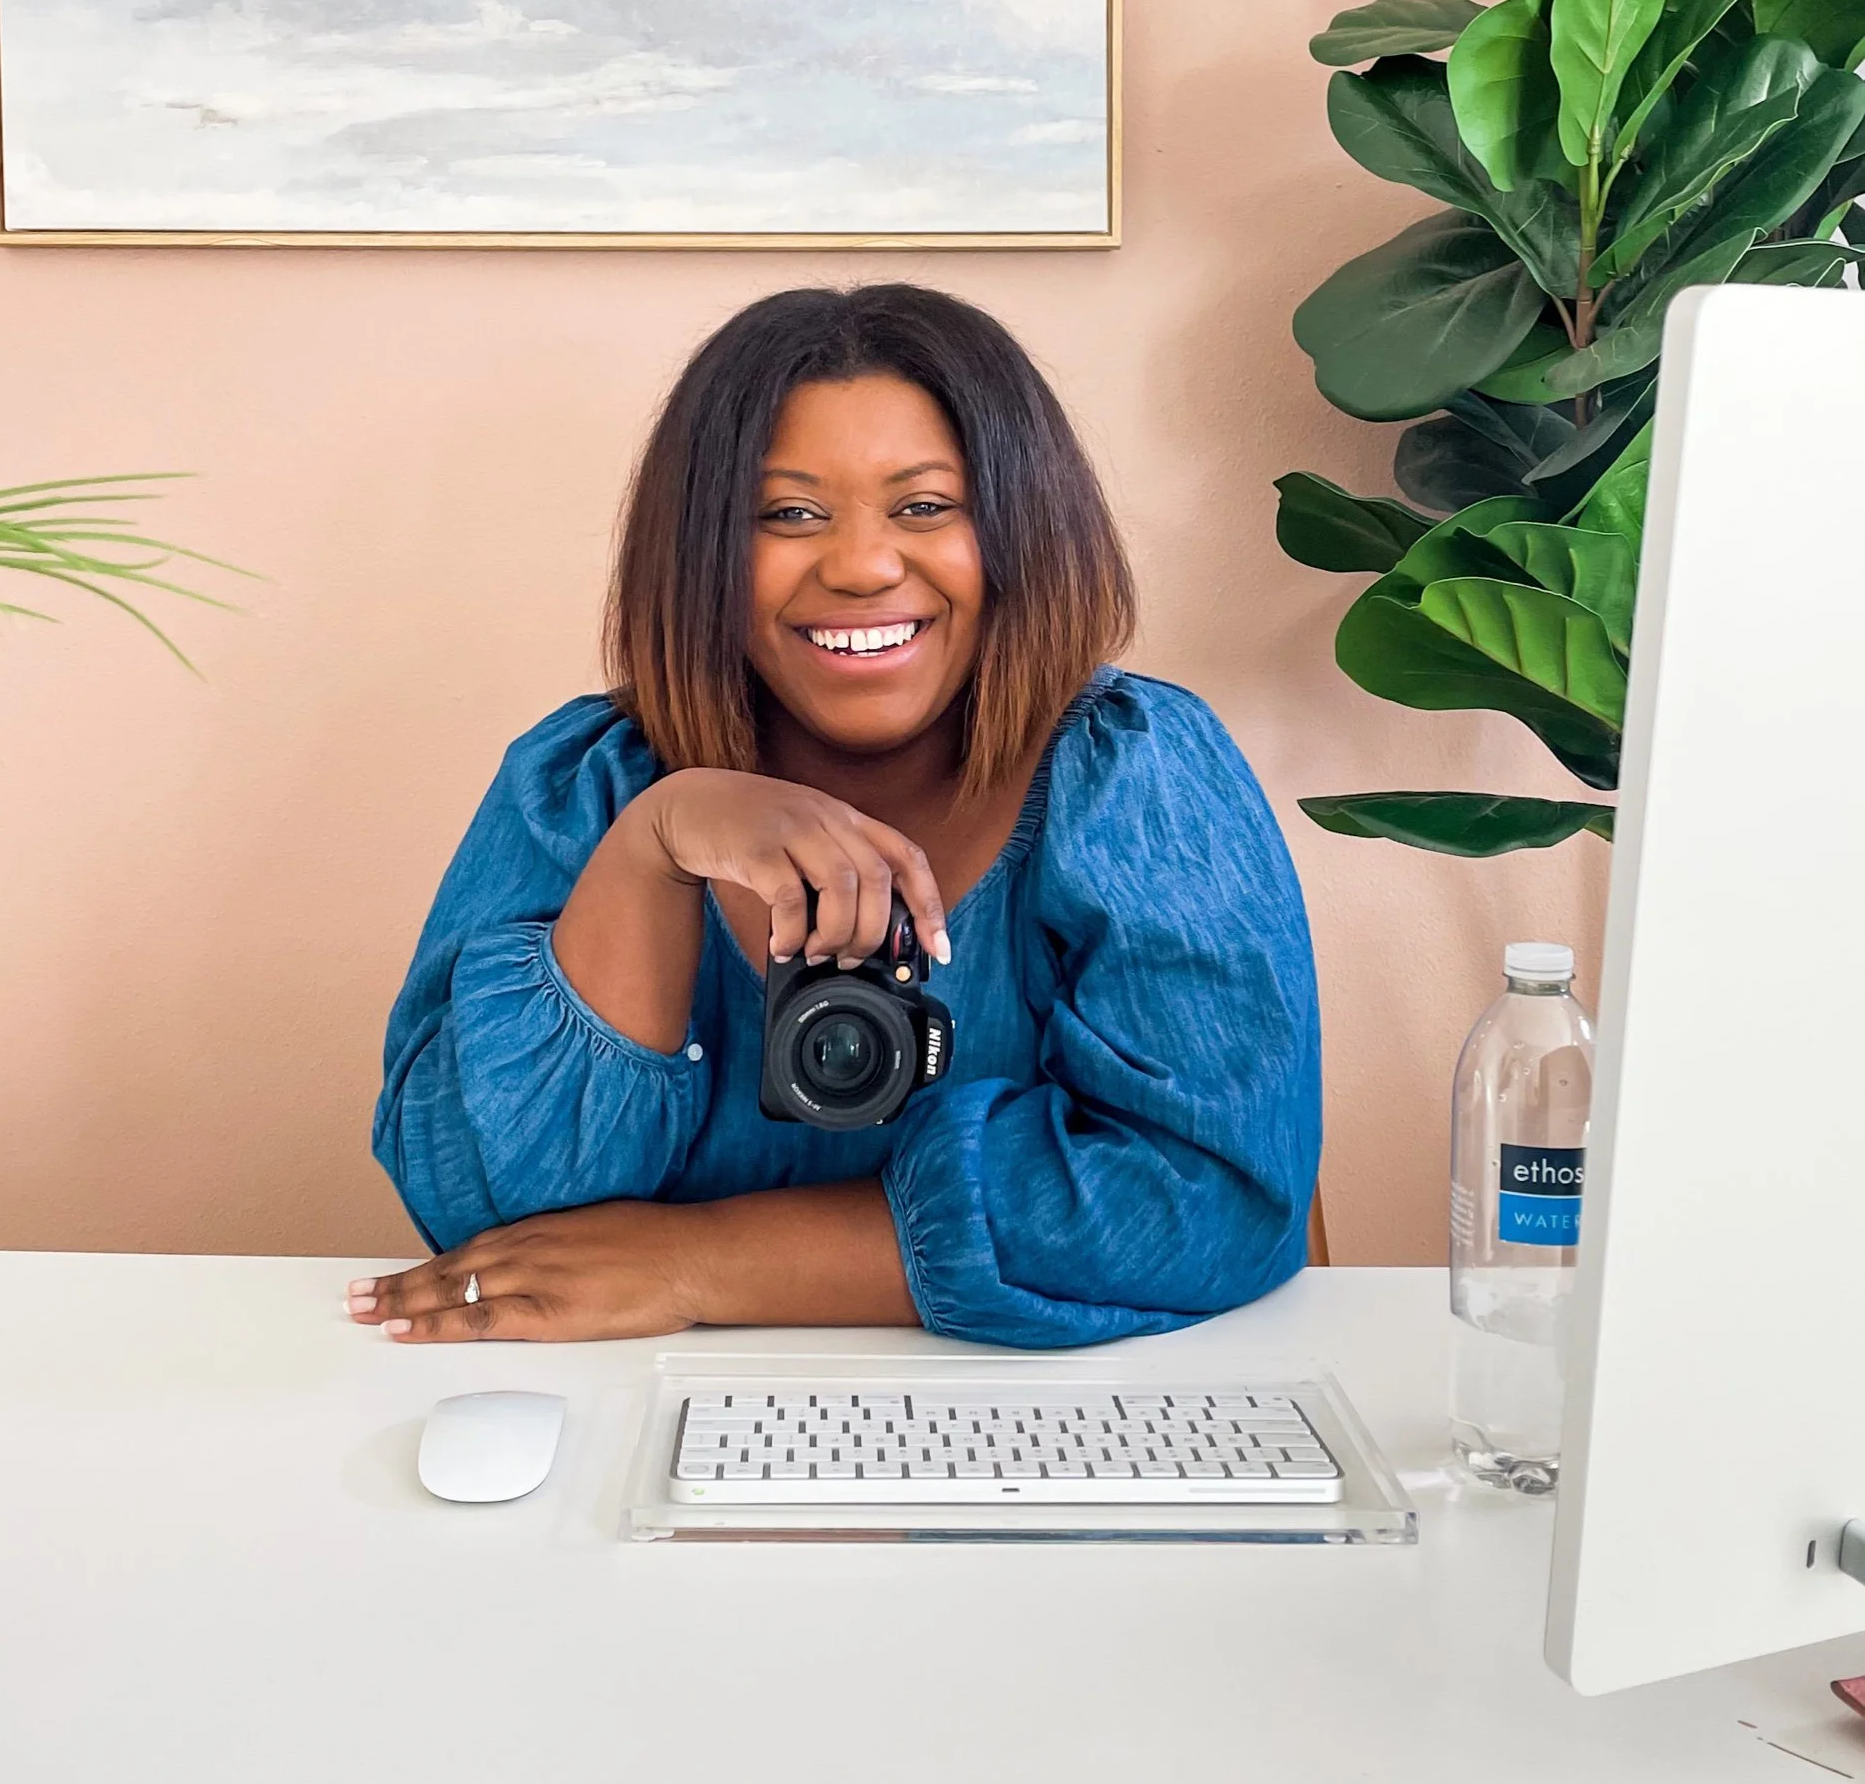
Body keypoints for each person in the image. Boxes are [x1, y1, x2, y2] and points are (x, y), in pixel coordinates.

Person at [348, 284, 1320, 1350]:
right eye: (788, 514)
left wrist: (696, 1262)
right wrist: (653, 848)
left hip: (1053, 1420)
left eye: (925, 506)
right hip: (627, 1413)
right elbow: (487, 1215)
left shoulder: (1137, 779)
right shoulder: (584, 786)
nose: (860, 565)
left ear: (1021, 527)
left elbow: (1203, 1204)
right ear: (703, 551)